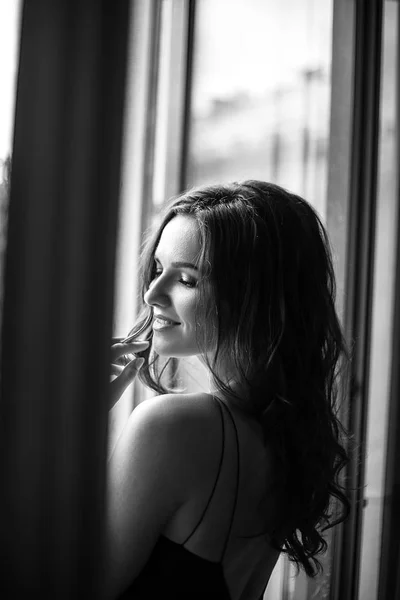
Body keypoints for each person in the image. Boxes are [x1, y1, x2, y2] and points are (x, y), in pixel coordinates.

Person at [103, 180, 350, 600]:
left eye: (186, 279)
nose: (151, 293)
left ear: (253, 297)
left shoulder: (173, 426)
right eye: (158, 269)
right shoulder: (275, 438)